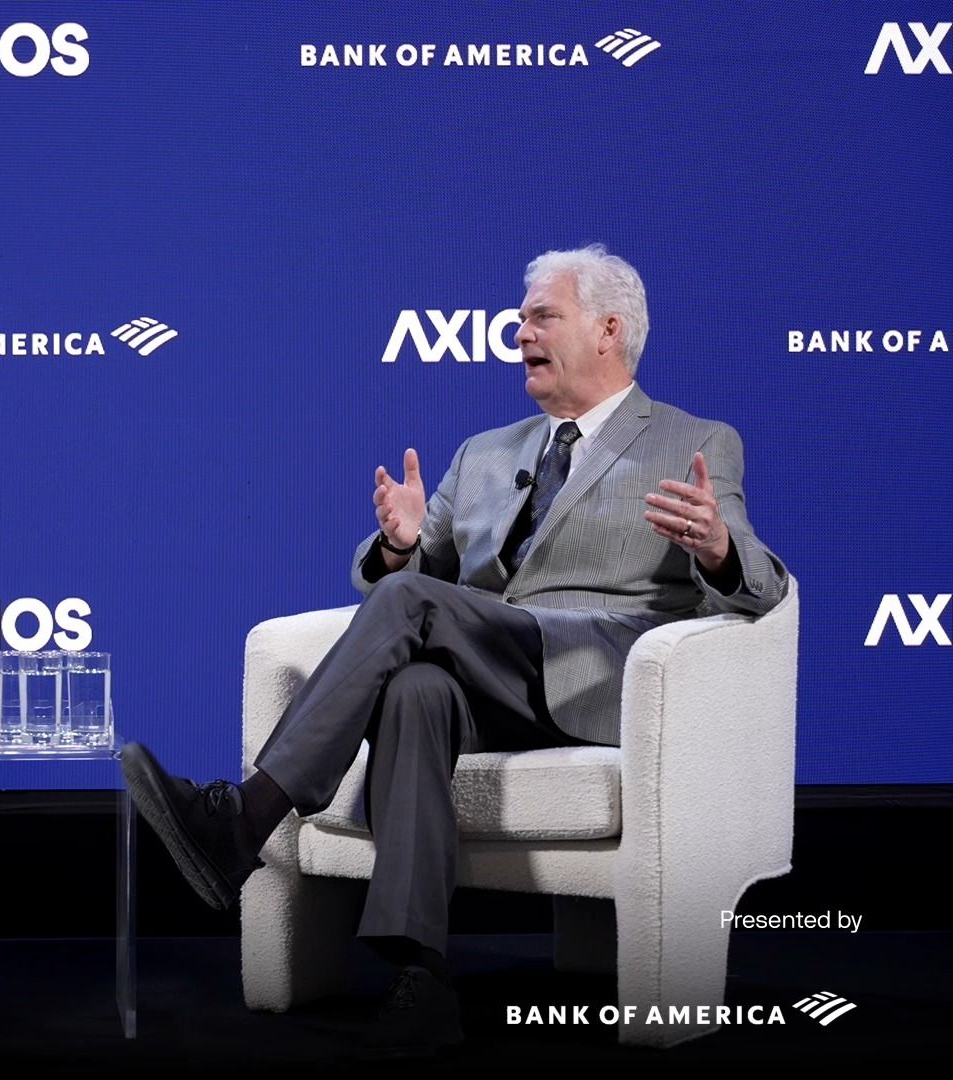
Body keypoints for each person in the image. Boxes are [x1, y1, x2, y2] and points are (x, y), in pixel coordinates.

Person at [121, 245, 788, 1057]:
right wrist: (402, 548)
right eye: (519, 316)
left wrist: (717, 549)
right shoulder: (485, 452)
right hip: (484, 678)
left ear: (610, 330)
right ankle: (424, 978)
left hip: (594, 680)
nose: (519, 330)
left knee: (414, 625)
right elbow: (415, 587)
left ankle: (249, 814)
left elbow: (758, 585)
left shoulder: (692, 440)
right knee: (414, 693)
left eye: (543, 315)